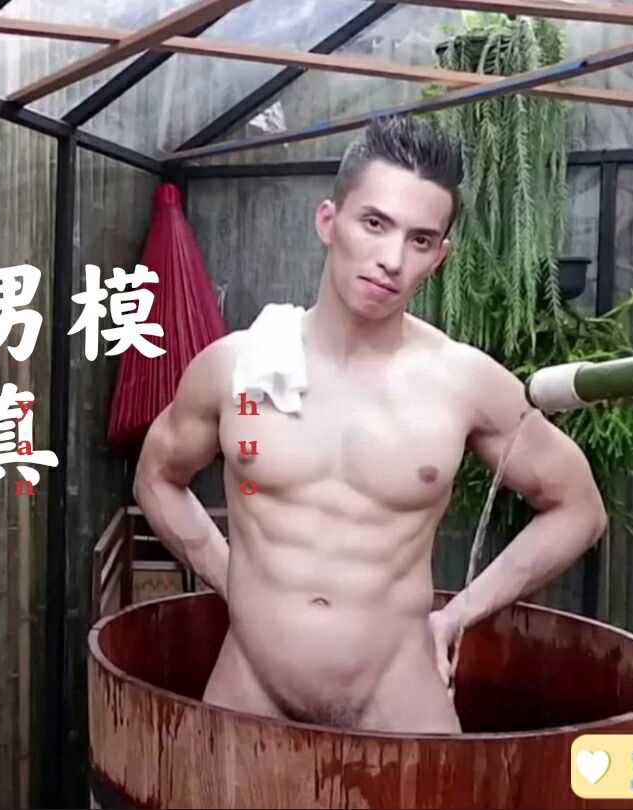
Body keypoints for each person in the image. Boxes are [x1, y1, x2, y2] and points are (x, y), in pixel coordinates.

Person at [130, 114, 608, 734]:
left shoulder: (463, 381)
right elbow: (156, 478)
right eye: (375, 224)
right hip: (249, 688)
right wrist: (232, 581)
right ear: (328, 221)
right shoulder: (235, 367)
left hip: (399, 695)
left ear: (440, 257)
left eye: (420, 240)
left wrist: (458, 614)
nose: (391, 260)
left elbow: (579, 508)